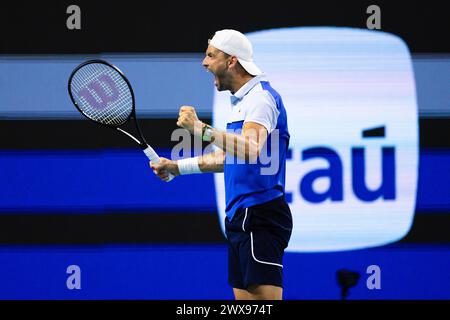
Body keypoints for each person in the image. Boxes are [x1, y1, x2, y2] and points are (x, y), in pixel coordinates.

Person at [151, 29, 292, 300]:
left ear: (232, 61)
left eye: (210, 55)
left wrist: (200, 129)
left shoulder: (260, 99)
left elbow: (251, 149)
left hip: (259, 213)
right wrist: (177, 167)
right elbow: (230, 157)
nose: (204, 62)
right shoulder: (241, 102)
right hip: (240, 215)